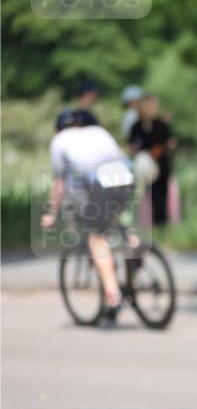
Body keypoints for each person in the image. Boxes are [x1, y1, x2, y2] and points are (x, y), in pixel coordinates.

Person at [41, 109, 135, 324]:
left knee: (96, 236)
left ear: (57, 130)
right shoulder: (97, 131)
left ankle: (113, 294)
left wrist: (52, 213)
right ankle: (135, 249)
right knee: (115, 219)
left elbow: (60, 184)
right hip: (126, 174)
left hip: (101, 180)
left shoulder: (59, 141)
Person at [128, 95, 176, 226]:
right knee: (144, 196)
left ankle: (162, 223)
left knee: (161, 196)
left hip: (161, 165)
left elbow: (169, 142)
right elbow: (133, 145)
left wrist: (158, 151)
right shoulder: (136, 127)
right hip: (144, 167)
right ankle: (146, 224)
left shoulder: (160, 124)